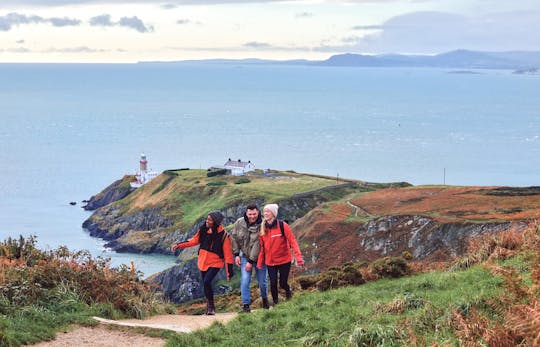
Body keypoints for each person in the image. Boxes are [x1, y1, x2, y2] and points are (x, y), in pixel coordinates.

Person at [171, 211, 233, 315]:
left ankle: (211, 307)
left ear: (216, 222)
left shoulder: (224, 236)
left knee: (206, 282)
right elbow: (194, 241)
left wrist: (229, 272)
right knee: (206, 284)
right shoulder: (203, 230)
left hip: (216, 263)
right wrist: (178, 245)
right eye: (207, 219)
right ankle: (209, 305)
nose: (207, 221)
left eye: (209, 220)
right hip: (203, 262)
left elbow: (228, 255)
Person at [257, 203, 304, 306]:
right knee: (273, 283)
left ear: (273, 213)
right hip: (270, 262)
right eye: (264, 211)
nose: (265, 213)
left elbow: (292, 241)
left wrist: (298, 257)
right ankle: (276, 304)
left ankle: (288, 291)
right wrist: (260, 262)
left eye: (268, 211)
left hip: (284, 260)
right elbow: (262, 248)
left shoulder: (283, 226)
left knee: (282, 283)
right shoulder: (262, 229)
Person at [230, 203, 269, 313]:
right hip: (244, 256)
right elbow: (234, 238)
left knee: (262, 281)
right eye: (250, 214)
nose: (252, 216)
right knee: (245, 280)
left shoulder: (263, 224)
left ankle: (265, 300)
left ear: (258, 213)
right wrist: (236, 254)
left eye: (254, 214)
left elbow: (258, 244)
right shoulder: (239, 222)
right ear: (246, 213)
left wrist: (251, 261)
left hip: (260, 258)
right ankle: (246, 306)